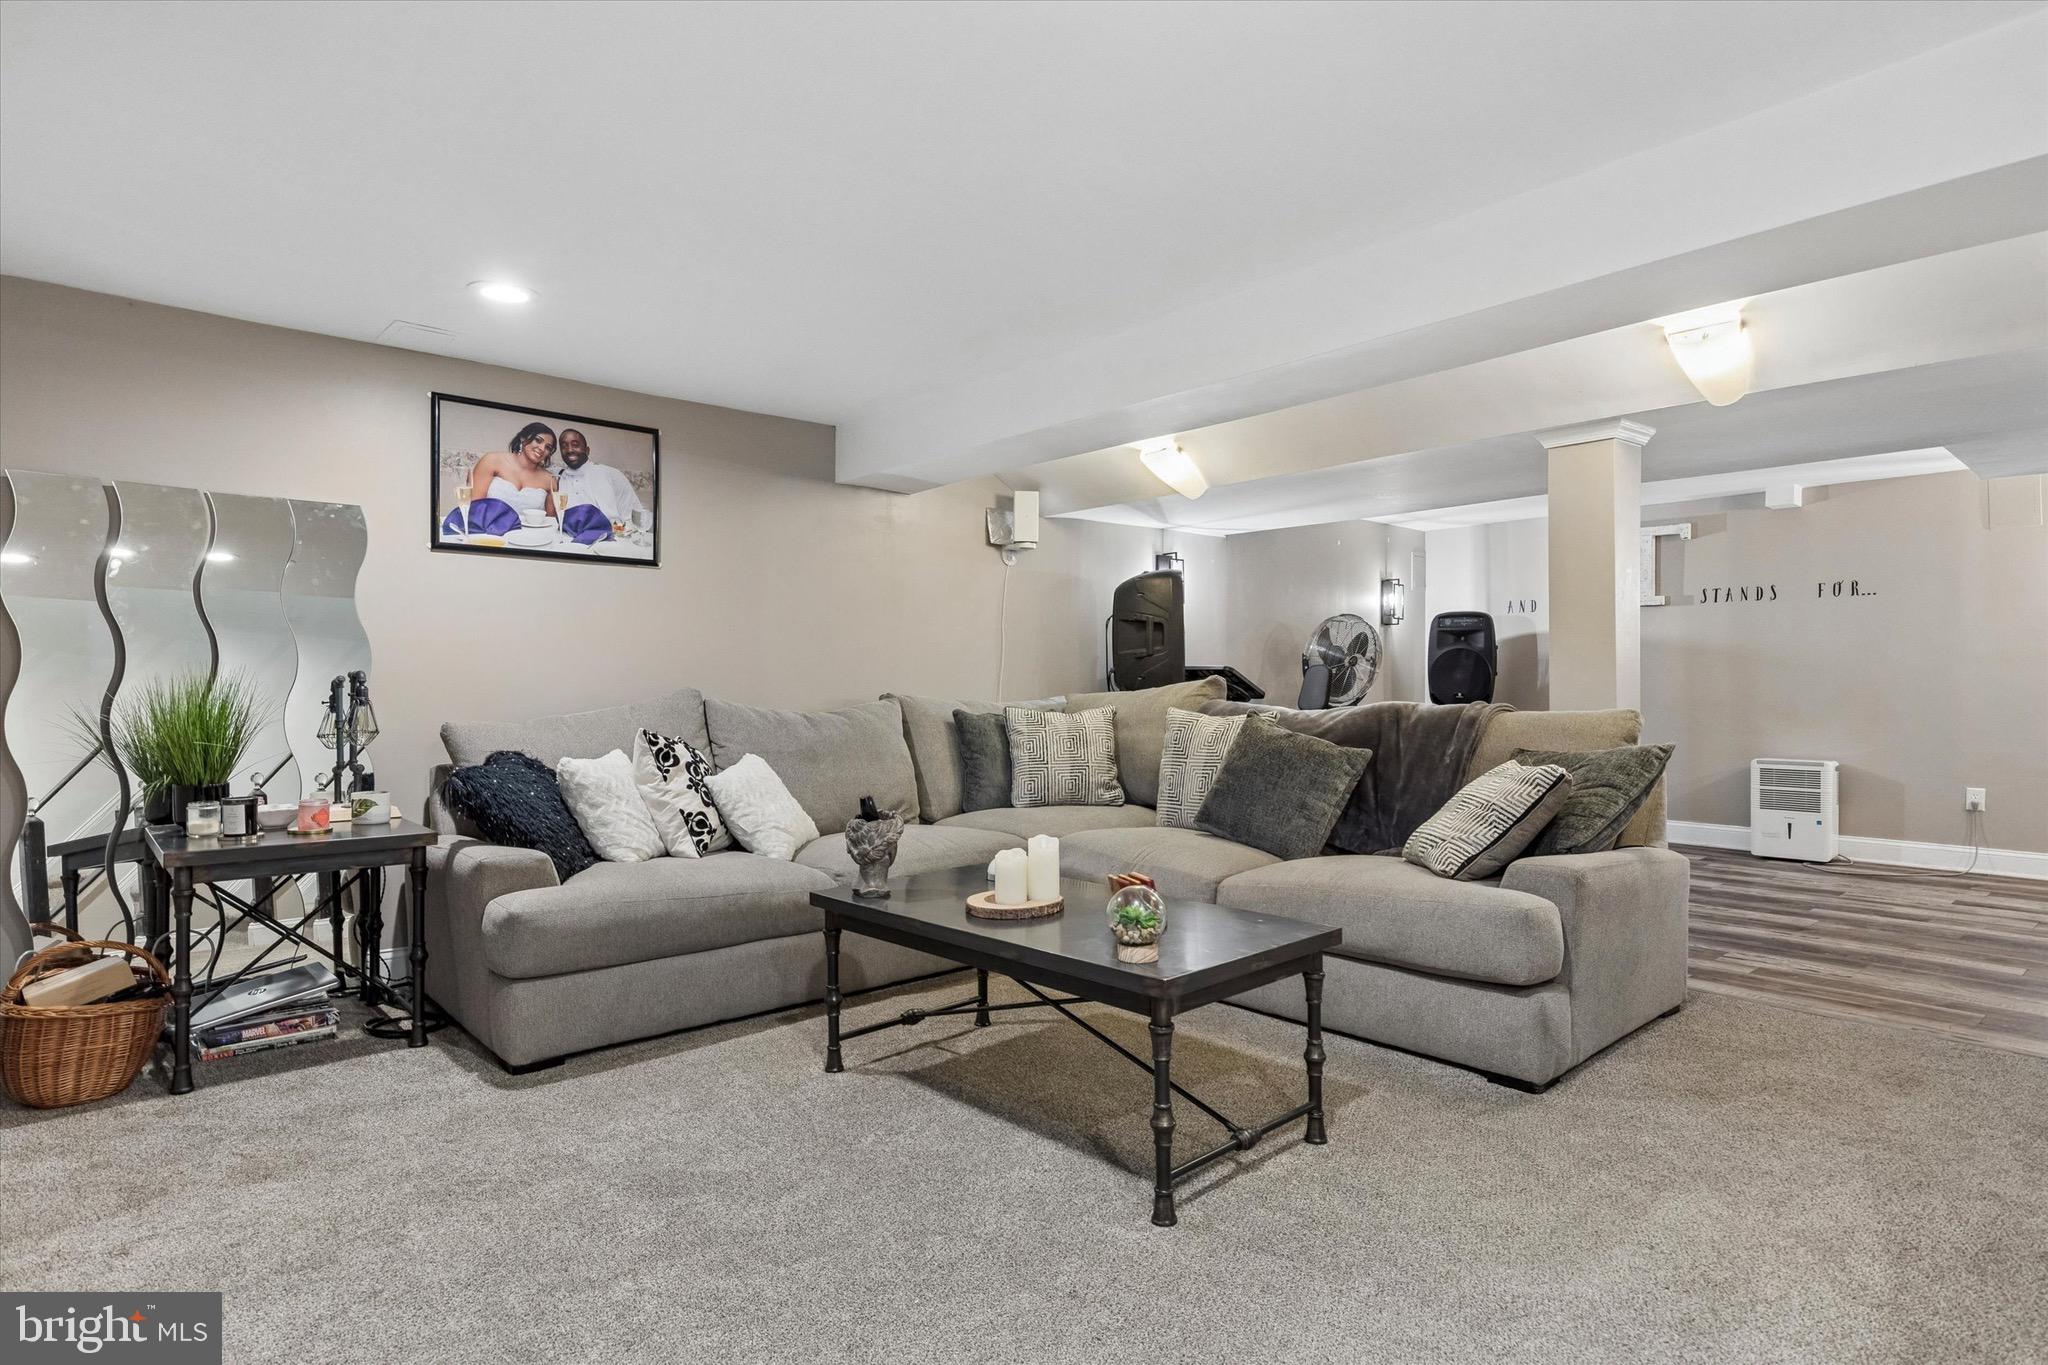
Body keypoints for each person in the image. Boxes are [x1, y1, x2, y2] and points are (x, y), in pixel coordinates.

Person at [554, 427, 650, 531]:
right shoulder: (558, 478)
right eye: (564, 446)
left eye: (575, 445)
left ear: (587, 450)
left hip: (612, 537)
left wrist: (617, 532)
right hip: (568, 538)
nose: (569, 450)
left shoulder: (612, 475)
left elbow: (634, 519)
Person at [466, 421, 560, 516]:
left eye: (548, 447)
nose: (542, 449)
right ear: (523, 438)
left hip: (531, 527)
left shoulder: (550, 480)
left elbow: (550, 520)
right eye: (538, 440)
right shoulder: (491, 460)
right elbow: (474, 507)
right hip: (486, 524)